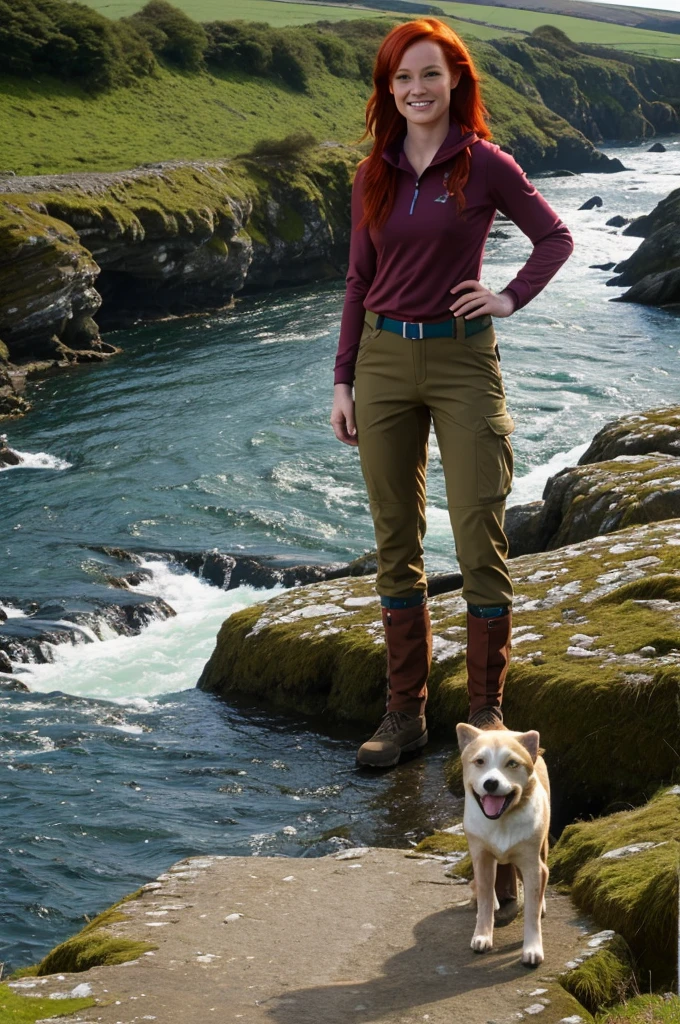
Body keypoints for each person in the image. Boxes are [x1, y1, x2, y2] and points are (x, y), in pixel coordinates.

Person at [330, 17, 573, 910]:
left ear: (453, 81)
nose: (416, 90)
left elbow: (554, 238)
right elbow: (358, 279)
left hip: (468, 355)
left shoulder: (486, 163)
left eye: (429, 76)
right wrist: (345, 378)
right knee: (396, 538)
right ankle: (405, 716)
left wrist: (508, 296)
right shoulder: (373, 173)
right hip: (385, 362)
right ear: (389, 90)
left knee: (479, 527)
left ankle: (489, 725)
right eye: (402, 80)